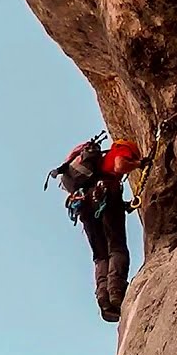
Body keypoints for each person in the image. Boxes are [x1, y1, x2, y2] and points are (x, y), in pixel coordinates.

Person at [70, 138, 141, 322]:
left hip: (84, 206)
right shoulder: (122, 148)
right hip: (106, 195)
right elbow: (119, 165)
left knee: (100, 255)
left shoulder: (97, 164)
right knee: (117, 247)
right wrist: (138, 163)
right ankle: (116, 292)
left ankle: (103, 297)